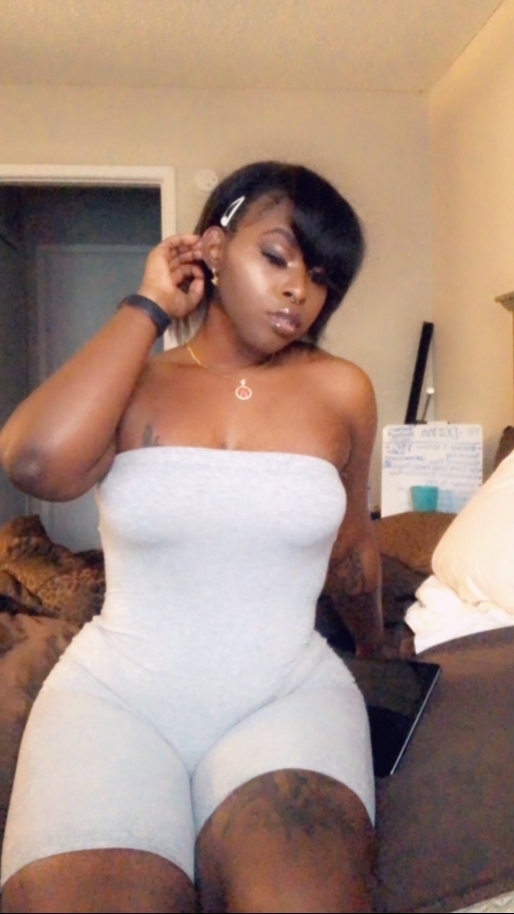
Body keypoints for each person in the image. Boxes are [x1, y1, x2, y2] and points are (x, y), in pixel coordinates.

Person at [0, 161, 383, 914]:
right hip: (117, 697)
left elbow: (353, 544)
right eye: (276, 257)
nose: (298, 290)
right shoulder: (133, 380)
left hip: (287, 694)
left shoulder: (343, 389)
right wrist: (149, 305)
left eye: (321, 277)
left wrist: (377, 645)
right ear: (211, 246)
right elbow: (35, 462)